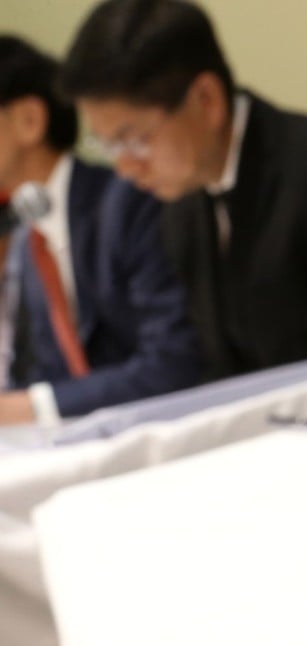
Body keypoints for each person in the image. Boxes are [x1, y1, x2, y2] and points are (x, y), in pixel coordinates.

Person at [59, 0, 307, 381]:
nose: (124, 167)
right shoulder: (181, 209)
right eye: (108, 146)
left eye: (134, 140)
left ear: (207, 100)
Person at [0, 35, 203, 425]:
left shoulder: (129, 199)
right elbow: (47, 370)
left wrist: (29, 406)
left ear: (29, 120)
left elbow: (171, 361)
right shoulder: (29, 239)